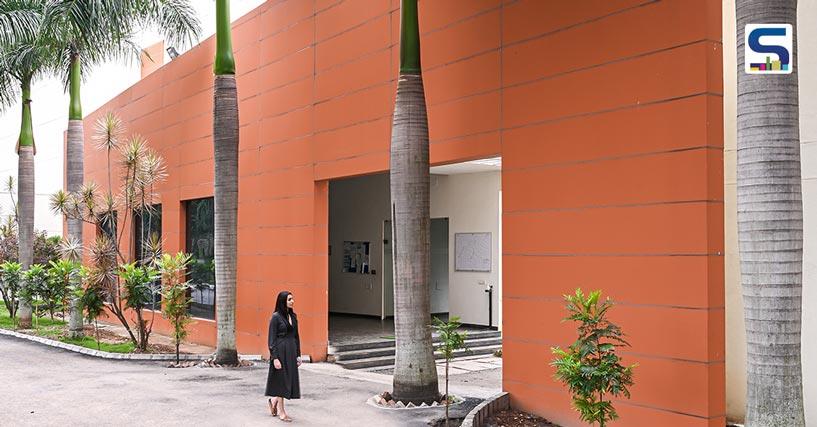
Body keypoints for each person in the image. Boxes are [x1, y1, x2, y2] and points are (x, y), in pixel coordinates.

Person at [265, 291, 301, 422]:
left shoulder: (293, 316)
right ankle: (282, 412)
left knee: (288, 381)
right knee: (281, 381)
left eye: (292, 299)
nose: (292, 301)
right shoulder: (275, 317)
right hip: (280, 352)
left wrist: (298, 355)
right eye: (289, 299)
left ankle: (273, 400)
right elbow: (271, 339)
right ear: (283, 301)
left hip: (291, 352)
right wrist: (274, 358)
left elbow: (296, 337)